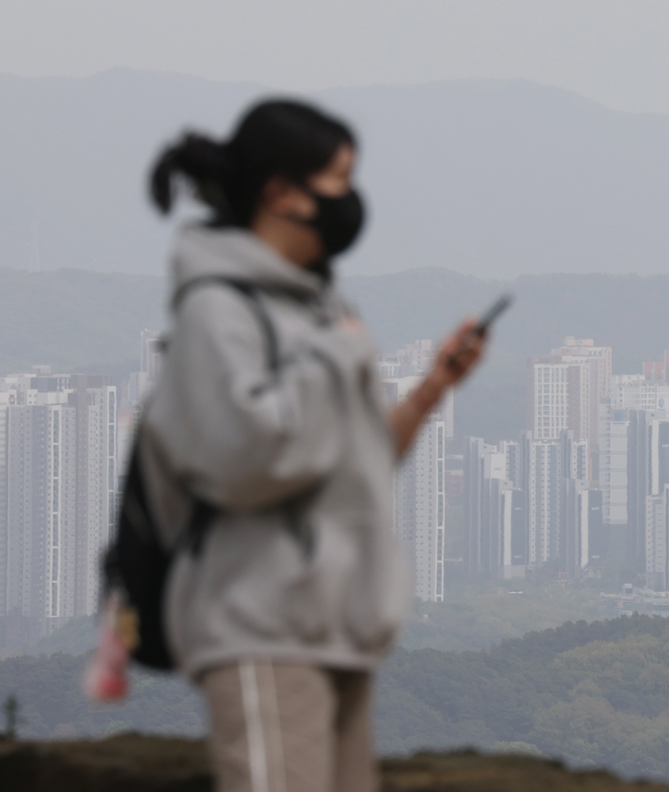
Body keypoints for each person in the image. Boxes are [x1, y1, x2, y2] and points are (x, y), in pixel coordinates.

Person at [142, 99, 485, 792]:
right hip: (262, 621)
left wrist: (429, 392)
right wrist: (334, 358)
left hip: (335, 625)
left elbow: (351, 461)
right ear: (281, 191)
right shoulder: (221, 309)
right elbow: (242, 461)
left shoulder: (318, 308)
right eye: (338, 179)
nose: (351, 201)